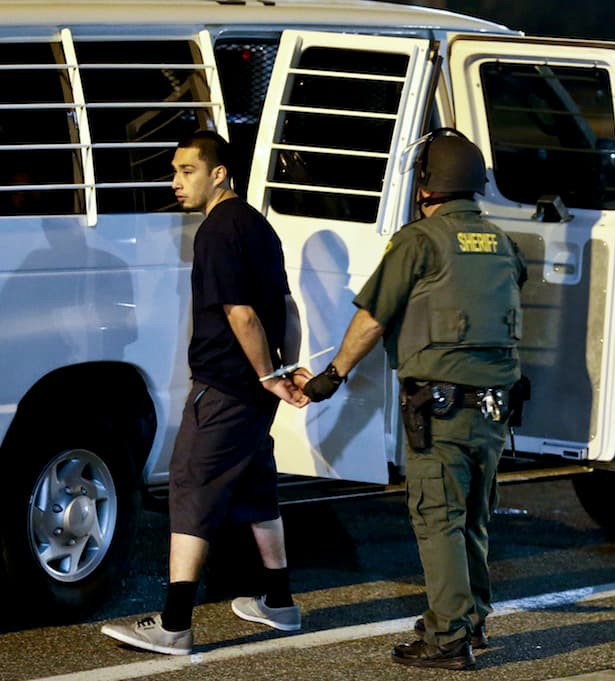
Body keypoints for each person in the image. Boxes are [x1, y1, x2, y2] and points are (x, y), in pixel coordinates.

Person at [295, 128, 526, 671]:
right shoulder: (502, 242)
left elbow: (373, 316)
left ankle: (447, 638)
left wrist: (332, 376)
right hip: (494, 406)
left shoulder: (419, 242)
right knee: (473, 517)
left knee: (437, 517)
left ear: (426, 185)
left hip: (439, 408)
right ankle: (471, 619)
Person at [102, 130, 310, 655]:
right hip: (254, 391)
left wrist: (267, 375)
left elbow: (239, 311)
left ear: (218, 173)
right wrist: (285, 368)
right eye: (174, 171)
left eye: (187, 170)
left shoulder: (217, 230)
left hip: (225, 389)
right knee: (256, 486)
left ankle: (174, 625)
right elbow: (286, 306)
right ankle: (279, 603)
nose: (175, 182)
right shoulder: (259, 226)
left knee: (191, 490)